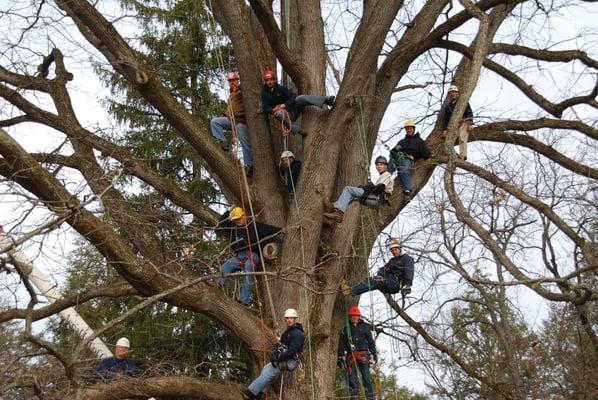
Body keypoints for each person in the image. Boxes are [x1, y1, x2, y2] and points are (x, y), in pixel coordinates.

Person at [217, 207, 281, 305]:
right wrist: (229, 210)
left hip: (252, 254)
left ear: (244, 216)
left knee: (248, 270)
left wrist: (282, 230)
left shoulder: (255, 226)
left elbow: (271, 229)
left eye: (239, 219)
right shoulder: (232, 229)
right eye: (235, 220)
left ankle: (243, 300)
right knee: (226, 266)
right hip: (239, 255)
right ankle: (218, 285)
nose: (237, 221)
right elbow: (221, 221)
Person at [241, 308, 305, 399]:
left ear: (295, 319)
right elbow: (279, 345)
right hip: (284, 358)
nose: (289, 320)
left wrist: (279, 357)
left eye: (291, 318)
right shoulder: (287, 332)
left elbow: (292, 351)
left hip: (291, 360)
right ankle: (260, 394)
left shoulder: (298, 334)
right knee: (266, 369)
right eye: (287, 318)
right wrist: (275, 354)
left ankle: (250, 393)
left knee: (269, 372)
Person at [261, 70, 335, 137]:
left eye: (271, 80)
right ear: (265, 81)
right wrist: (273, 110)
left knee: (300, 98)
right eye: (267, 80)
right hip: (285, 117)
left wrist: (285, 105)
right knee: (278, 114)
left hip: (293, 109)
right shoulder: (264, 93)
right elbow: (266, 107)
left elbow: (292, 96)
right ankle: (297, 130)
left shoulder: (281, 89)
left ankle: (326, 100)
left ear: (274, 80)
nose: (269, 82)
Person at [322, 156, 394, 223]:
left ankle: (336, 210)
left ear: (385, 166)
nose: (378, 166)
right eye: (377, 165)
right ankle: (335, 210)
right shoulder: (382, 176)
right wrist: (368, 187)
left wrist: (366, 189)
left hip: (376, 198)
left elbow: (380, 188)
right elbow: (377, 187)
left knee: (348, 189)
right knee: (352, 196)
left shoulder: (387, 175)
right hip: (375, 200)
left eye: (381, 164)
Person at [210, 72, 253, 177]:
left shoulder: (242, 91)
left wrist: (240, 87)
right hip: (231, 120)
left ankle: (249, 165)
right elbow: (230, 108)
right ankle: (222, 142)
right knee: (215, 121)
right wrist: (225, 114)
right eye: (230, 81)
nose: (232, 83)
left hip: (241, 120)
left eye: (234, 80)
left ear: (238, 80)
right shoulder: (231, 94)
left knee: (244, 142)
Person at [342, 240, 413, 297]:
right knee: (371, 280)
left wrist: (408, 285)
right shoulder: (392, 261)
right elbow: (383, 269)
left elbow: (409, 271)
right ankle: (351, 291)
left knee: (376, 281)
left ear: (400, 249)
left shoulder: (406, 258)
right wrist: (380, 275)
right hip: (387, 281)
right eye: (392, 251)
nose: (394, 252)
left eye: (395, 250)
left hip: (395, 284)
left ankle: (351, 291)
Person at [338, 306, 377, 400]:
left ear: (359, 316)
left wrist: (374, 354)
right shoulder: (346, 328)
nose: (354, 317)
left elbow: (371, 341)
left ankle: (370, 397)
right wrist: (341, 354)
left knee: (366, 377)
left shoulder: (365, 327)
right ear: (350, 317)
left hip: (363, 354)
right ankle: (354, 397)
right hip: (351, 356)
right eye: (352, 316)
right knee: (352, 379)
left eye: (356, 316)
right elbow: (341, 342)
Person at [388, 120, 431, 201]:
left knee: (404, 169)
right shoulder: (402, 142)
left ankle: (407, 191)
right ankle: (385, 181)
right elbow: (394, 150)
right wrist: (392, 153)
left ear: (413, 129)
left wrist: (429, 155)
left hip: (408, 159)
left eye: (410, 128)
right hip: (398, 157)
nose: (409, 130)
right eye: (407, 128)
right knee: (390, 163)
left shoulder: (418, 141)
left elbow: (425, 152)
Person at [440, 84, 474, 161]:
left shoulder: (463, 102)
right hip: (452, 125)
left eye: (454, 92)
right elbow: (445, 119)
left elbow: (469, 113)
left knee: (462, 138)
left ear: (458, 93)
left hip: (463, 122)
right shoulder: (448, 106)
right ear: (449, 95)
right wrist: (445, 129)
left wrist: (470, 123)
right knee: (448, 140)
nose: (452, 94)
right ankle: (451, 155)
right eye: (450, 93)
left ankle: (463, 155)